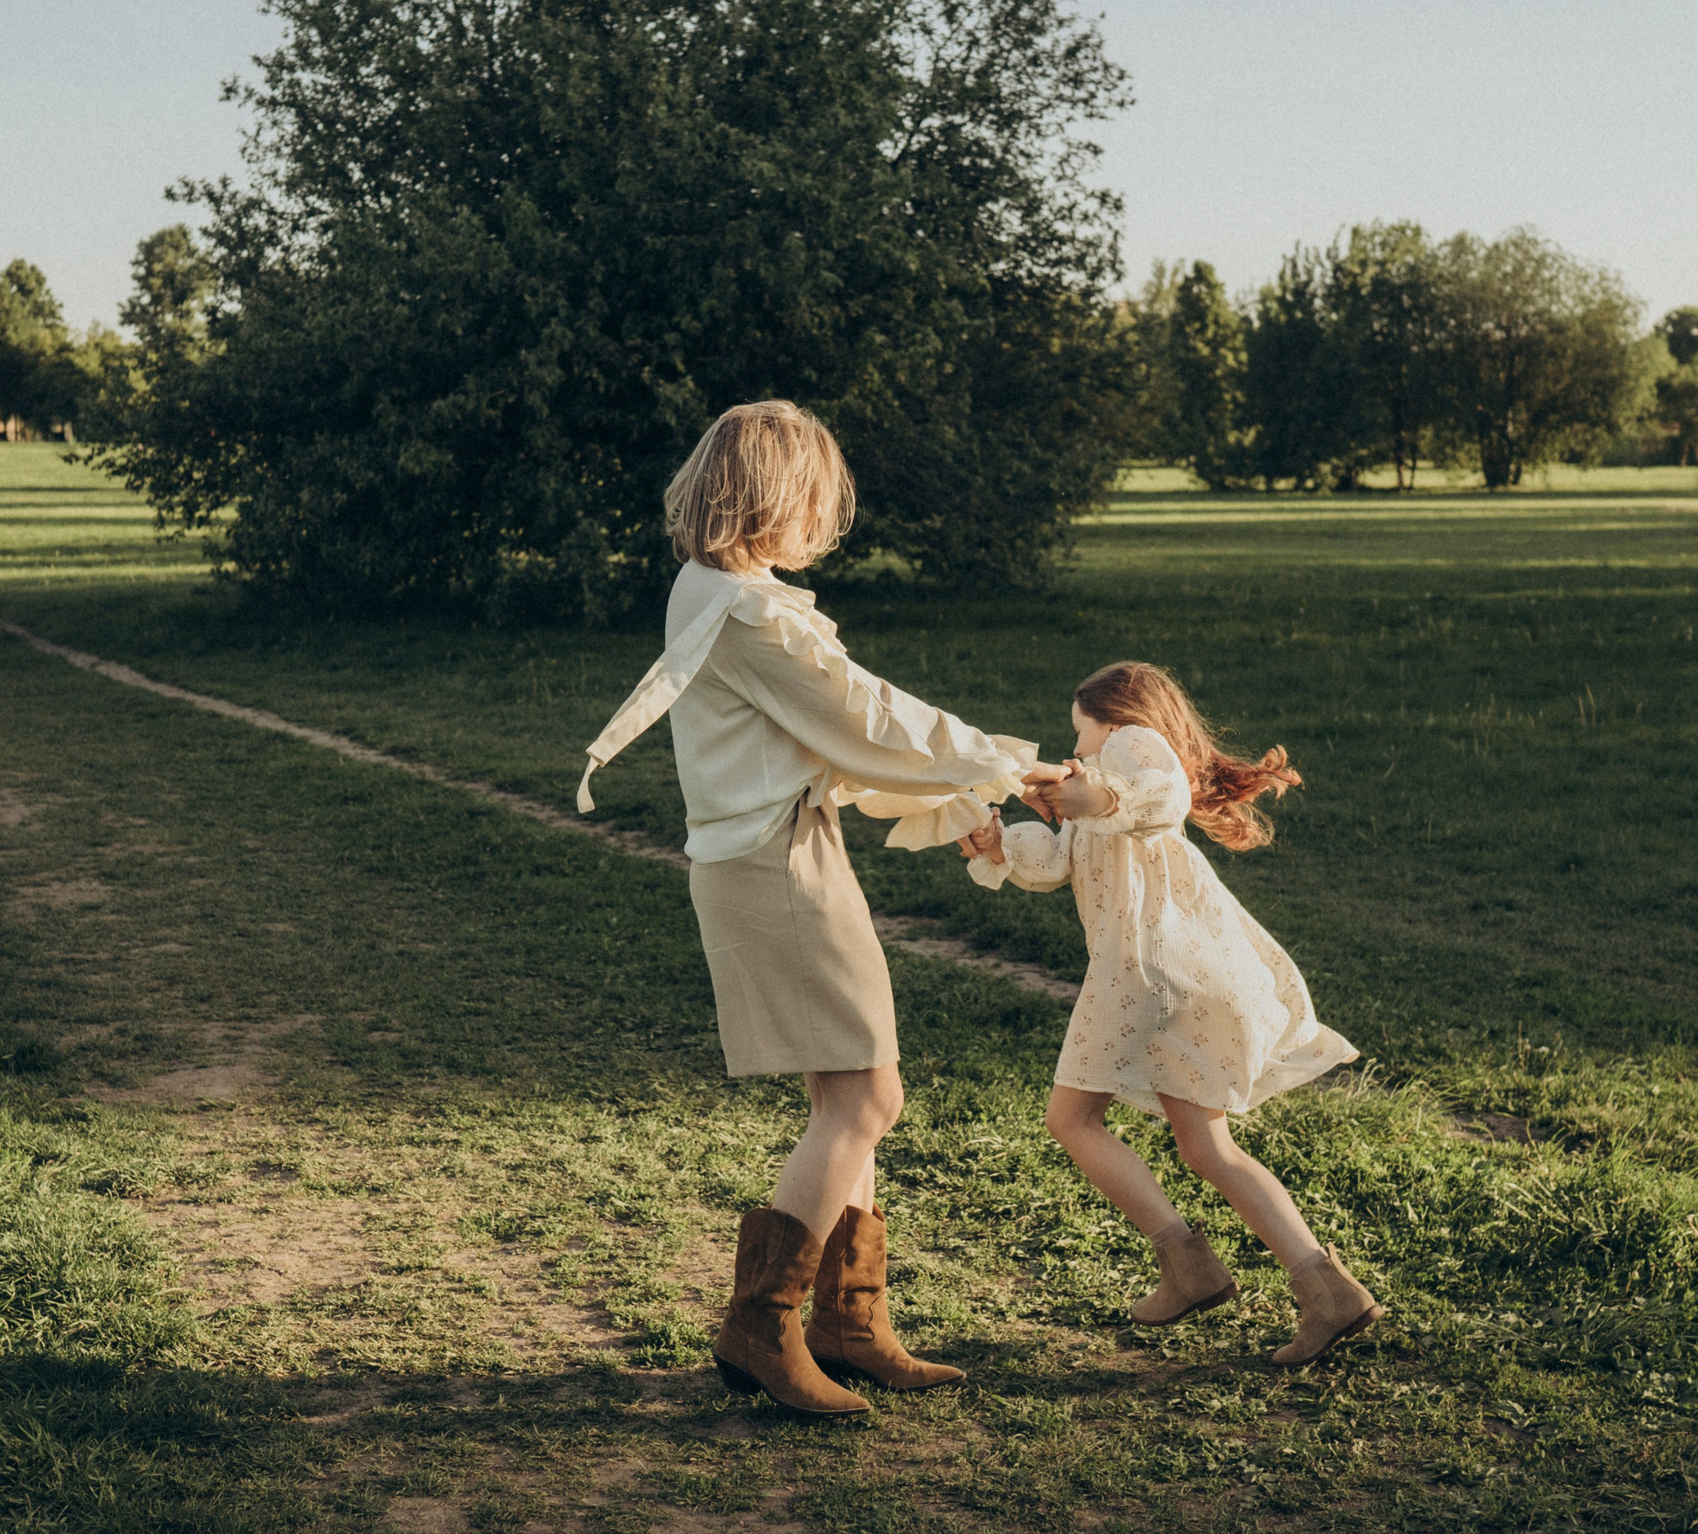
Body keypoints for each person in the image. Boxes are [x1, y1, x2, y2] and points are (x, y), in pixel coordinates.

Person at [578, 400, 1049, 1416]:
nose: (823, 525)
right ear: (768, 498)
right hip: (774, 864)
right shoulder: (744, 610)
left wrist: (981, 782)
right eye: (815, 504)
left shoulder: (718, 590)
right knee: (864, 1100)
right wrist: (1012, 764)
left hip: (780, 852)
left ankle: (846, 1325)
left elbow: (834, 741)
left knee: (849, 1097)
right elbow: (863, 716)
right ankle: (762, 1326)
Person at [962, 660, 1378, 1367]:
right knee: (1207, 1148)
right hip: (1175, 977)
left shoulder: (1131, 754)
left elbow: (1159, 792)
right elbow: (1062, 861)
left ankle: (1190, 1268)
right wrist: (1004, 844)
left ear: (1117, 718)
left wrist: (1092, 787)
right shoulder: (1106, 789)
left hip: (1143, 975)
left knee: (1071, 1119)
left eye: (1080, 731)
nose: (1077, 747)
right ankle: (1328, 1290)